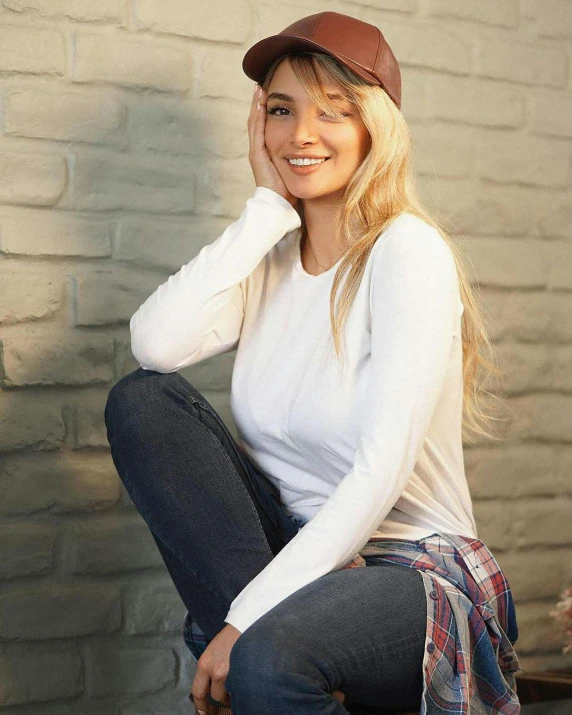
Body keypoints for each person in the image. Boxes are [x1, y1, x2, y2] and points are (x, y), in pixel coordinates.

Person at [104, 11, 522, 715]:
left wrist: (242, 619)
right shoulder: (270, 262)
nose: (301, 134)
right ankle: (274, 635)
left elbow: (380, 469)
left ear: (374, 130)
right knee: (142, 401)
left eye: (333, 112)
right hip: (295, 554)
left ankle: (266, 641)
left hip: (407, 564)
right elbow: (156, 345)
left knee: (266, 655)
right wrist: (267, 206)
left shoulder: (406, 251)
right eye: (281, 110)